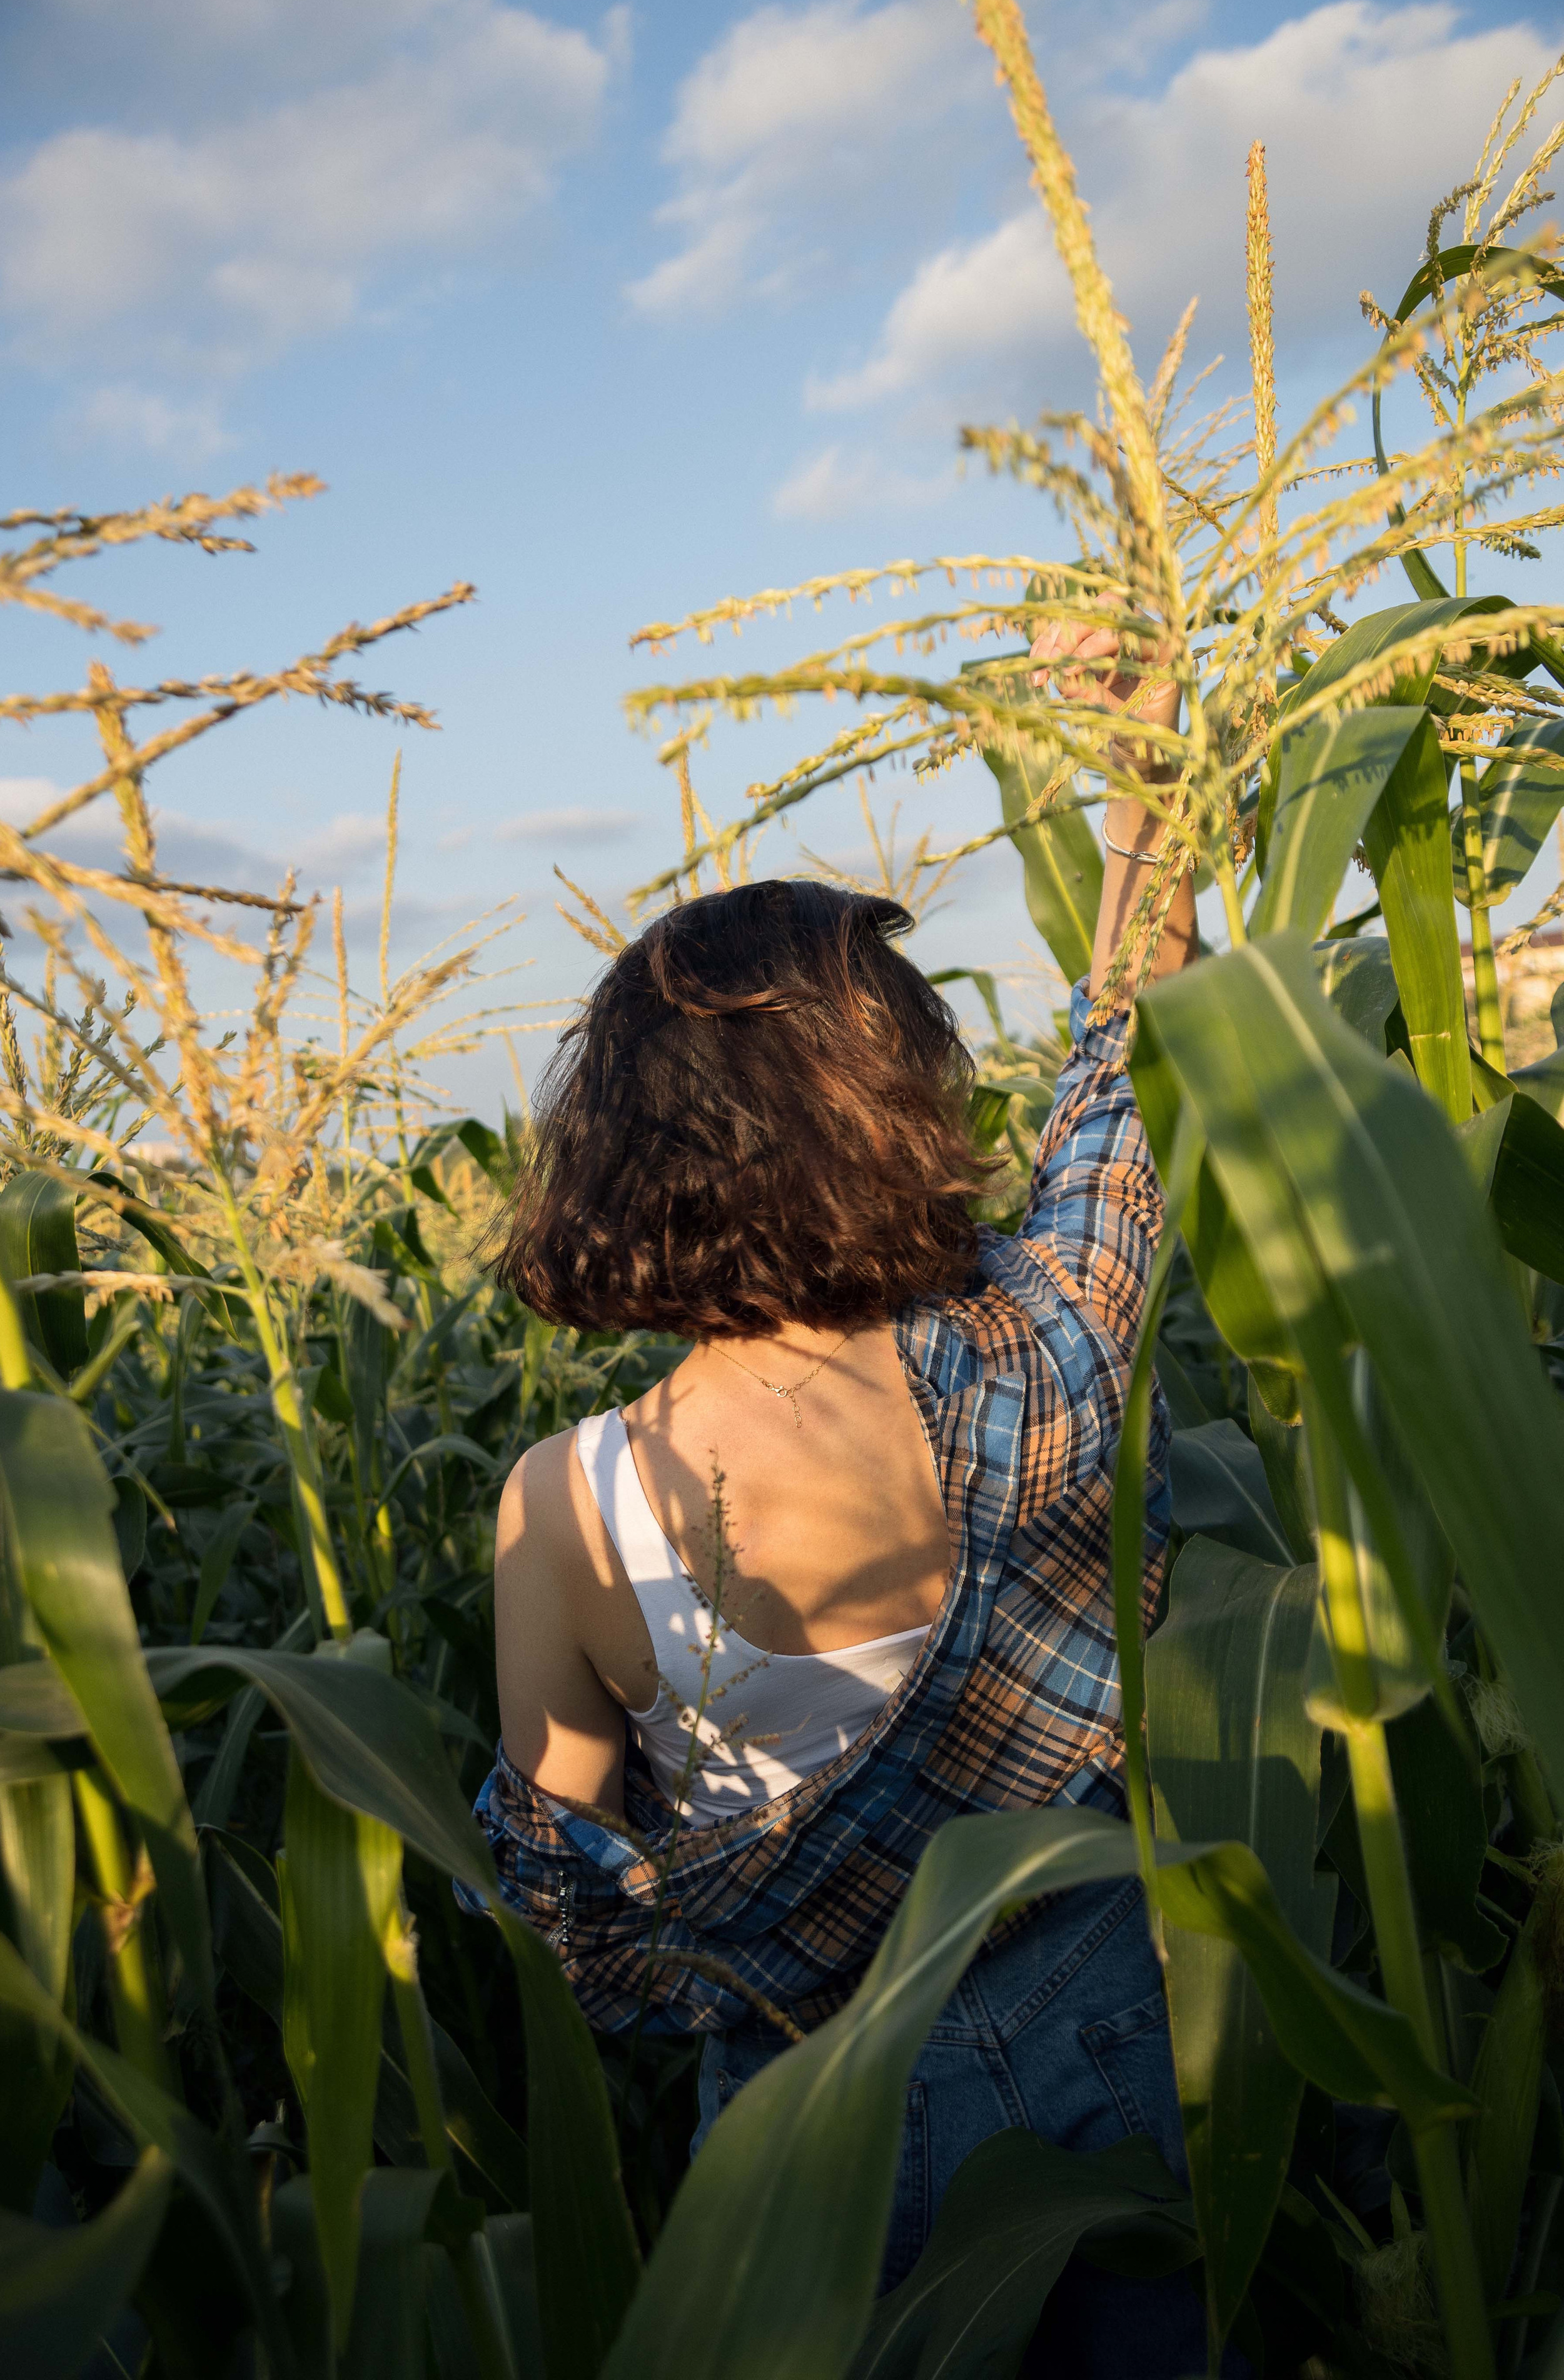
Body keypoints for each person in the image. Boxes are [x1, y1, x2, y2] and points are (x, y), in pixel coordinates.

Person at [475, 613, 1204, 2372]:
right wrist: (1146, 768)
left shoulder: (563, 1509)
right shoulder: (1038, 1359)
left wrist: (764, 1947)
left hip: (808, 2149)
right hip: (1120, 2073)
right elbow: (1139, 1069)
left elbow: (577, 1918)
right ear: (893, 1111)